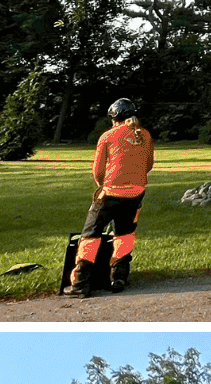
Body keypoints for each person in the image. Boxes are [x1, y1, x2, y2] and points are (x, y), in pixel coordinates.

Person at [65, 98, 155, 297]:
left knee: (90, 235)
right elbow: (148, 166)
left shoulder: (108, 136)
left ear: (114, 117)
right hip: (137, 194)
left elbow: (98, 171)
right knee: (125, 235)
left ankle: (80, 284)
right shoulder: (145, 135)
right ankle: (119, 278)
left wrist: (101, 187)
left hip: (110, 192)